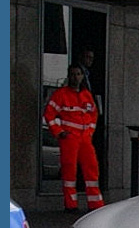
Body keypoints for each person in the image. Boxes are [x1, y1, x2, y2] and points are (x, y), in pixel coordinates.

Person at [43, 64, 104, 213]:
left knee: (92, 170)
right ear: (68, 76)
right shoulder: (61, 94)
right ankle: (71, 205)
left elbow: (94, 114)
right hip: (69, 139)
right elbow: (49, 114)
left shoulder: (86, 95)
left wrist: (90, 131)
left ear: (82, 76)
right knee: (69, 171)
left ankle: (95, 205)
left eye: (78, 74)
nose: (75, 77)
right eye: (72, 74)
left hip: (85, 139)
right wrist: (59, 132)